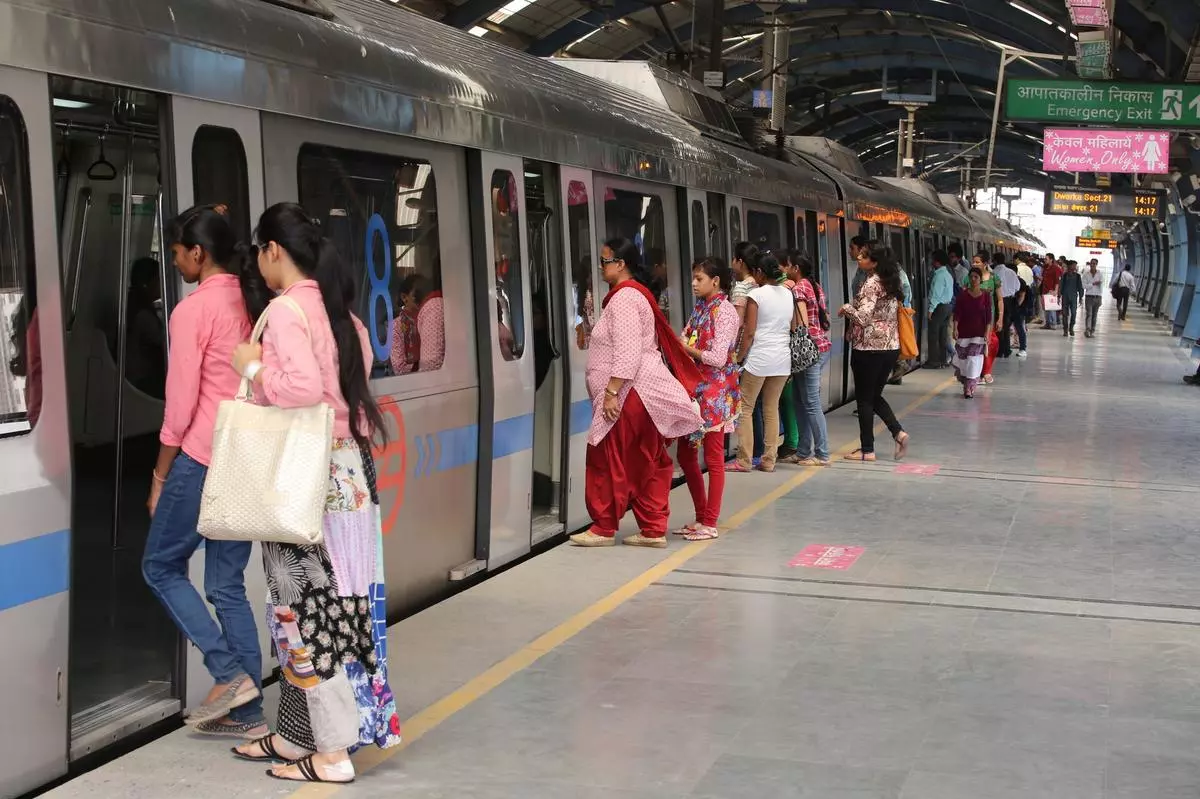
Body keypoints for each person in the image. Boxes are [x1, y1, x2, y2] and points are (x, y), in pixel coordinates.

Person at [230, 203, 401, 783]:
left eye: (259, 251)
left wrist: (252, 371)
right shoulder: (341, 315)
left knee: (306, 615)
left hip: (304, 481)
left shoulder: (284, 312)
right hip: (347, 476)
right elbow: (356, 378)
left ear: (274, 250)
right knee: (338, 608)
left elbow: (301, 388)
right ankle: (297, 734)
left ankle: (330, 753)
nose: (258, 262)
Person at [141, 204, 272, 738]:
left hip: (201, 457)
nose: (173, 263)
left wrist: (158, 478)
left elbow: (179, 410)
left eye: (175, 253)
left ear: (197, 253)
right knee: (226, 584)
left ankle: (228, 674)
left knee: (159, 567)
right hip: (246, 456)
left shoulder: (191, 312)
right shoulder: (253, 300)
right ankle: (247, 713)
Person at [569, 238, 702, 549]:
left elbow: (628, 353)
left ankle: (603, 527)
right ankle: (653, 528)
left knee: (608, 457)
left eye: (604, 261)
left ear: (621, 264)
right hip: (643, 395)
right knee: (648, 459)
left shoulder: (625, 299)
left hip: (629, 394)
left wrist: (612, 391)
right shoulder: (633, 297)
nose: (600, 268)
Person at [675, 257, 740, 540]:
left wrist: (686, 350)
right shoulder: (702, 309)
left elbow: (716, 357)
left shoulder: (724, 312)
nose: (693, 283)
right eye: (693, 277)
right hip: (694, 390)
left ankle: (710, 521)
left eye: (699, 278)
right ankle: (701, 516)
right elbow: (685, 336)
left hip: (715, 393)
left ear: (716, 281)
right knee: (686, 454)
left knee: (713, 457)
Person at [839, 243, 909, 462]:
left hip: (868, 349)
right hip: (889, 347)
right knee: (873, 396)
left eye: (864, 255)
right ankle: (898, 432)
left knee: (864, 400)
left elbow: (864, 318)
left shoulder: (871, 284)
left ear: (875, 262)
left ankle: (867, 449)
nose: (858, 257)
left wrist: (847, 308)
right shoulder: (891, 282)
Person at [732, 253, 796, 473]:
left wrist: (738, 358)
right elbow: (792, 325)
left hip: (760, 359)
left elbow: (749, 333)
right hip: (782, 359)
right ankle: (769, 460)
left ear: (759, 272)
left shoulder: (756, 295)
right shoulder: (789, 294)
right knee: (771, 408)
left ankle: (744, 459)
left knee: (746, 408)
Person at [783, 252, 832, 465]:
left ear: (795, 268)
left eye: (785, 266)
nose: (783, 270)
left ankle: (822, 454)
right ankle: (803, 451)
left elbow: (800, 322)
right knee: (800, 401)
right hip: (817, 346)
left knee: (810, 402)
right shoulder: (815, 285)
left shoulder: (799, 288)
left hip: (808, 349)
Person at [730, 242, 765, 464]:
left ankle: (748, 454)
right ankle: (759, 450)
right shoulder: (761, 286)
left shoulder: (742, 288)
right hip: (761, 350)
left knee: (745, 407)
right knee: (760, 405)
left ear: (740, 262)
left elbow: (737, 324)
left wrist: (734, 353)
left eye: (734, 259)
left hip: (746, 352)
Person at [951, 266, 993, 399]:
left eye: (976, 277)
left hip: (979, 334)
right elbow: (958, 313)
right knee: (964, 360)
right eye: (971, 277)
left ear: (980, 280)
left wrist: (987, 332)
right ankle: (966, 383)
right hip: (964, 332)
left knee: (973, 359)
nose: (973, 279)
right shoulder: (962, 296)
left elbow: (988, 316)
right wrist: (955, 327)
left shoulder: (986, 295)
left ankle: (970, 388)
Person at [964, 252, 1002, 384]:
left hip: (988, 317)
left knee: (990, 343)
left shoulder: (994, 278)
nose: (974, 264)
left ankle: (987, 371)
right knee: (974, 344)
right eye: (973, 262)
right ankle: (976, 373)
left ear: (985, 264)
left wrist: (1000, 317)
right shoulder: (968, 278)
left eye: (977, 262)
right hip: (971, 316)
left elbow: (1000, 300)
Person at [389, 273, 425, 375]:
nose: (422, 297)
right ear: (404, 297)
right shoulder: (396, 326)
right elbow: (399, 368)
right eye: (417, 293)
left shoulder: (430, 317)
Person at [925, 250, 954, 369]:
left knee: (933, 334)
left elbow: (936, 294)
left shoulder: (939, 276)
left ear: (937, 262)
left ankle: (934, 361)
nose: (931, 262)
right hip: (948, 306)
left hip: (939, 307)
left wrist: (931, 309)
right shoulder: (947, 274)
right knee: (942, 335)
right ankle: (943, 360)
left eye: (933, 260)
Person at [992, 253, 1020, 359]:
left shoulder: (993, 273)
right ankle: (1007, 350)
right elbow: (1017, 287)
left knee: (998, 325)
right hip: (1009, 301)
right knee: (1007, 326)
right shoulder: (1011, 272)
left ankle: (999, 350)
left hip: (997, 300)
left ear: (994, 261)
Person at [1058, 260, 1084, 337]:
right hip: (1065, 297)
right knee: (1064, 314)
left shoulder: (1078, 276)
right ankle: (1065, 329)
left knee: (1074, 313)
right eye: (1074, 265)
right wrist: (1059, 296)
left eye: (1075, 265)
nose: (1075, 267)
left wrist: (1081, 297)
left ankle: (1071, 327)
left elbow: (1080, 287)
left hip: (1073, 297)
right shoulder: (1064, 275)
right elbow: (1061, 286)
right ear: (1069, 266)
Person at [1082, 259, 1104, 337]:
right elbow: (1084, 286)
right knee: (1089, 314)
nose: (1092, 265)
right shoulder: (1086, 274)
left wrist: (1093, 284)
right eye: (1091, 263)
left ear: (1096, 264)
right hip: (1089, 297)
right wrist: (1093, 284)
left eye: (1094, 264)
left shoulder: (1100, 274)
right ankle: (1087, 330)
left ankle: (1092, 331)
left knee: (1095, 315)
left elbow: (1101, 285)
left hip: (1097, 297)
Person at [1041, 254, 1063, 330]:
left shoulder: (1056, 268)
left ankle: (1053, 324)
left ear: (1051, 259)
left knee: (1051, 308)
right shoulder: (1045, 267)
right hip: (1044, 290)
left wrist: (1055, 290)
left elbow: (1058, 280)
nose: (1045, 260)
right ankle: (1047, 323)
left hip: (1051, 291)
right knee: (1045, 308)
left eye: (1046, 259)